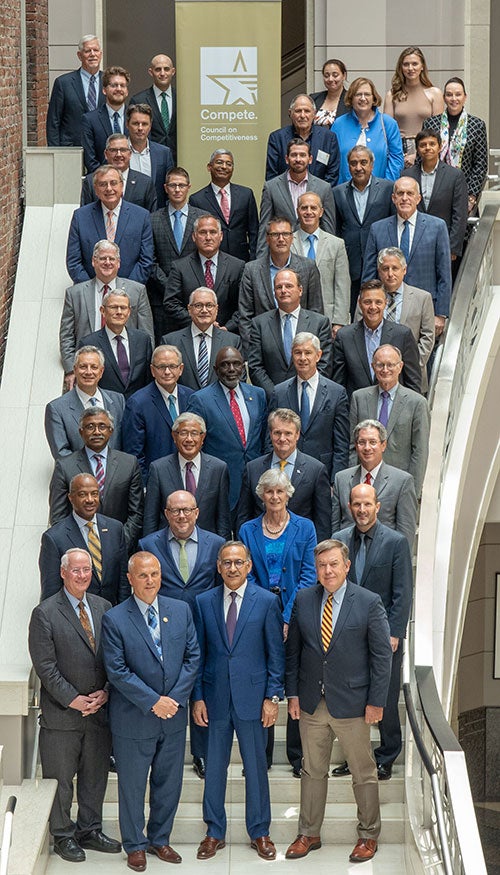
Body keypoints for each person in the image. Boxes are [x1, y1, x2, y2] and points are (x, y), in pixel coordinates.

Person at [284, 539, 392, 863]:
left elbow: (382, 656)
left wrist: (376, 702)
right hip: (311, 702)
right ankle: (309, 833)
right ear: (316, 569)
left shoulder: (369, 602)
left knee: (363, 772)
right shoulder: (303, 600)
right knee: (311, 770)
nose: (327, 570)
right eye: (321, 565)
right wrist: (292, 694)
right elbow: (293, 654)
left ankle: (368, 835)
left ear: (346, 566)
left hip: (355, 704)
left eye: (333, 564)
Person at [101, 551, 200, 871]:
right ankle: (135, 844)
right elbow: (117, 671)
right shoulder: (114, 618)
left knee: (168, 783)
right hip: (134, 719)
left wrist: (174, 699)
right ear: (130, 579)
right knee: (132, 785)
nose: (150, 581)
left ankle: (160, 839)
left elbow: (192, 658)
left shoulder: (181, 610)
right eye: (142, 575)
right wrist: (153, 701)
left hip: (172, 717)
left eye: (154, 574)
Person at [193, 541, 284, 861]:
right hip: (215, 698)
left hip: (253, 699)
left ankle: (260, 831)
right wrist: (198, 697)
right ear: (218, 566)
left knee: (256, 768)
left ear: (248, 566)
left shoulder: (266, 601)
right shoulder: (203, 602)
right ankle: (213, 831)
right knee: (214, 768)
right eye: (226, 562)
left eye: (239, 562)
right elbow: (198, 654)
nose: (232, 568)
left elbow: (276, 655)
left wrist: (273, 697)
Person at [29, 547, 122, 863]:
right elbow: (45, 666)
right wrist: (73, 699)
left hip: (99, 712)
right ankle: (63, 835)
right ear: (63, 573)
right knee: (61, 780)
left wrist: (106, 691)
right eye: (76, 570)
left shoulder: (104, 607)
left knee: (95, 777)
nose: (82, 575)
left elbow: (114, 658)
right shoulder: (44, 613)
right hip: (62, 715)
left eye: (87, 570)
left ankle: (90, 830)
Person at [139, 489, 225, 780]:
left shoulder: (217, 544)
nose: (181, 516)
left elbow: (219, 586)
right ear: (166, 514)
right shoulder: (148, 543)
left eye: (187, 510)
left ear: (197, 512)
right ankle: (161, 753)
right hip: (165, 630)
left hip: (207, 627)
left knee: (203, 693)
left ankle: (201, 753)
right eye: (175, 510)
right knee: (168, 688)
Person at [332, 484, 413, 781]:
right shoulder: (339, 541)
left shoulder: (396, 542)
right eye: (356, 504)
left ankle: (387, 754)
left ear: (377, 506)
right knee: (352, 699)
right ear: (349, 507)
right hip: (348, 635)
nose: (362, 510)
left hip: (384, 637)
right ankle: (356, 757)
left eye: (367, 504)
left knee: (387, 698)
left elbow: (403, 593)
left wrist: (394, 632)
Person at [239, 470, 316, 775]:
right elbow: (248, 574)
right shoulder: (247, 529)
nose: (274, 497)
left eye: (279, 492)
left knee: (295, 679)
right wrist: (270, 613)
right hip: (258, 612)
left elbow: (309, 575)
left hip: (298, 614)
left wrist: (287, 616)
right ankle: (262, 756)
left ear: (288, 495)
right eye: (269, 492)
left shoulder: (305, 527)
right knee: (264, 682)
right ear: (262, 495)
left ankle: (297, 758)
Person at [362, 177, 452, 340]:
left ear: (418, 198)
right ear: (393, 198)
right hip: (385, 310)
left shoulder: (437, 227)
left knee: (420, 360)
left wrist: (441, 314)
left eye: (410, 193)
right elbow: (369, 274)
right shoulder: (378, 228)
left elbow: (444, 273)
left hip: (422, 311)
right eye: (400, 193)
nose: (405, 198)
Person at [48, 406, 144, 551]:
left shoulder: (129, 463)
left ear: (111, 431)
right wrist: (79, 548)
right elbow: (58, 516)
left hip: (119, 549)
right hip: (78, 552)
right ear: (81, 432)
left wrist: (118, 544)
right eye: (90, 427)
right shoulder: (64, 466)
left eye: (102, 426)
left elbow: (136, 513)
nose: (97, 432)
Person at [60, 239, 154, 381]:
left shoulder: (137, 290)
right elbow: (66, 335)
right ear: (93, 261)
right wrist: (70, 369)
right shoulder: (75, 294)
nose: (107, 262)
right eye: (103, 258)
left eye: (112, 259)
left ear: (119, 263)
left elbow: (147, 333)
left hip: (127, 369)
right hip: (90, 370)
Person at [187, 347, 268, 512]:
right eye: (225, 365)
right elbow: (195, 444)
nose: (231, 369)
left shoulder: (258, 394)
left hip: (256, 482)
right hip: (221, 483)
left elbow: (264, 435)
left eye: (236, 364)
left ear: (243, 367)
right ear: (216, 370)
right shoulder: (200, 400)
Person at [237, 408, 332, 541]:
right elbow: (244, 515)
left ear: (297, 434)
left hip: (300, 549)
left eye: (288, 433)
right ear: (270, 434)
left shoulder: (316, 470)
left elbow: (323, 522)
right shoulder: (253, 468)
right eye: (277, 433)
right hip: (260, 547)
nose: (282, 439)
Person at [349, 344, 430, 496]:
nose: (385, 370)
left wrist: (413, 493)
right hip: (363, 485)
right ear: (373, 366)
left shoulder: (417, 403)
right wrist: (351, 484)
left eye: (390, 365)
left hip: (398, 487)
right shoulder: (359, 398)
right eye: (380, 365)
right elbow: (351, 446)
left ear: (400, 367)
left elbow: (420, 452)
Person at [269, 332, 349, 480]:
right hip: (284, 474)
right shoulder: (279, 392)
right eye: (298, 353)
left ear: (318, 355)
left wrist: (335, 482)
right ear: (292, 355)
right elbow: (269, 439)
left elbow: (341, 445)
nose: (303, 358)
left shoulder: (336, 393)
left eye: (308, 353)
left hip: (323, 473)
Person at [239, 216, 323, 356]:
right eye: (275, 235)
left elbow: (316, 309)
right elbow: (245, 316)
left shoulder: (308, 267)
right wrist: (254, 350)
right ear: (267, 239)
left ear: (292, 237)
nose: (281, 239)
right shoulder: (251, 270)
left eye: (285, 234)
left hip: (303, 349)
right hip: (264, 350)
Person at [39, 474, 129, 604]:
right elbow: (51, 592)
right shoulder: (54, 538)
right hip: (76, 616)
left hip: (112, 614)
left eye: (94, 494)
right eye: (82, 494)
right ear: (71, 498)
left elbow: (123, 581)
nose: (90, 499)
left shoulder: (115, 529)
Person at [143, 412, 231, 538]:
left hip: (207, 547)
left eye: (194, 433)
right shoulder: (158, 469)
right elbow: (150, 517)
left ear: (203, 437)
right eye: (183, 433)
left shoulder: (218, 469)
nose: (189, 439)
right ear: (174, 436)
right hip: (167, 545)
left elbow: (223, 518)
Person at [332, 419, 418, 548]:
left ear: (383, 445)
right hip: (348, 557)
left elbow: (406, 532)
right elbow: (335, 526)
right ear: (356, 446)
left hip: (384, 557)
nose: (367, 448)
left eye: (373, 442)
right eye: (362, 442)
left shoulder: (402, 481)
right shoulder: (341, 479)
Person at [248, 267, 333, 398]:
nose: (283, 291)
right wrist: (277, 394)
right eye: (278, 287)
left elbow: (324, 364)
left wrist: (305, 390)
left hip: (309, 396)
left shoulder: (319, 323)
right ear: (274, 292)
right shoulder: (259, 324)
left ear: (300, 290)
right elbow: (255, 367)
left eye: (288, 286)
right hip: (273, 398)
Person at [333, 145, 395, 318]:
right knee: (353, 315)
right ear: (348, 166)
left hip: (380, 264)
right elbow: (336, 230)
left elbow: (393, 225)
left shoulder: (387, 189)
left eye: (363, 162)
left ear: (372, 165)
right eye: (353, 163)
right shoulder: (337, 193)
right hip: (349, 264)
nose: (358, 167)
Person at [66, 166, 154, 286]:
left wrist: (124, 290)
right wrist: (92, 290)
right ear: (96, 190)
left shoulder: (141, 216)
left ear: (122, 186)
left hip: (128, 296)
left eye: (113, 183)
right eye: (103, 184)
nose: (109, 188)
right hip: (91, 295)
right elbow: (73, 262)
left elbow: (146, 260)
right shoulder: (80, 217)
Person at [332, 280, 421, 398]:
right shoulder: (344, 336)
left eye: (378, 302)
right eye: (367, 302)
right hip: (356, 412)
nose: (373, 307)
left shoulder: (403, 335)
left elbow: (413, 382)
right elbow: (338, 385)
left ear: (386, 303)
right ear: (359, 303)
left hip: (394, 411)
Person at [149, 167, 206, 339]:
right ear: (166, 188)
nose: (177, 189)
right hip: (162, 301)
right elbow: (149, 261)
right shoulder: (152, 219)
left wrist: (187, 287)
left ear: (189, 187)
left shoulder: (203, 219)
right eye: (173, 185)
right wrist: (172, 287)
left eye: (181, 185)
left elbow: (207, 256)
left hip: (196, 300)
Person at [121, 344, 194, 480]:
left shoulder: (192, 398)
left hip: (189, 478)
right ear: (153, 370)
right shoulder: (138, 403)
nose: (167, 372)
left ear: (181, 369)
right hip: (155, 481)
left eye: (172, 366)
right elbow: (134, 454)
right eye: (161, 367)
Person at [164, 214, 245, 332]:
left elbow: (243, 305)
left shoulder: (237, 266)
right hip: (191, 333)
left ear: (221, 236)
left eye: (213, 232)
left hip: (227, 335)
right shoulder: (180, 267)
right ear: (194, 236)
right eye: (203, 232)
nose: (208, 237)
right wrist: (199, 322)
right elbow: (171, 304)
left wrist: (227, 327)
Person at [257, 138, 336, 256]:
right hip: (281, 255)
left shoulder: (324, 188)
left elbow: (328, 228)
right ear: (287, 159)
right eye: (294, 155)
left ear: (310, 159)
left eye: (302, 155)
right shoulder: (271, 187)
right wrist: (261, 261)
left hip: (313, 253)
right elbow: (265, 226)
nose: (298, 159)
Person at [422, 76, 488, 217]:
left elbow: (480, 165)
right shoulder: (431, 123)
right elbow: (421, 157)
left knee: (461, 236)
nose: (454, 98)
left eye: (458, 94)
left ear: (465, 97)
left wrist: (471, 196)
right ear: (444, 98)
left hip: (463, 193)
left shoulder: (477, 125)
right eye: (449, 94)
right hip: (433, 191)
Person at [45, 346, 125, 458]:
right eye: (83, 367)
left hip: (116, 473)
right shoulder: (56, 408)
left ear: (101, 371)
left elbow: (124, 443)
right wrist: (91, 472)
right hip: (78, 474)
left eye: (94, 367)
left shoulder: (118, 400)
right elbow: (61, 454)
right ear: (75, 370)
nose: (88, 372)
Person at [403, 129, 468, 263]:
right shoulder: (407, 175)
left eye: (432, 144)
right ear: (418, 149)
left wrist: (453, 248)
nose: (427, 148)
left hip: (443, 241)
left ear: (440, 147)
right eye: (423, 145)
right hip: (413, 241)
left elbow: (459, 215)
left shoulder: (455, 176)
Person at [376, 246, 435, 391]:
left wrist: (408, 365)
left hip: (411, 376)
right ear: (379, 271)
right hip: (376, 375)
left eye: (395, 268)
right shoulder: (369, 299)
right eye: (385, 268)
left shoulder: (422, 298)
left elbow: (428, 337)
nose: (390, 274)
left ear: (404, 270)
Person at [291, 191, 350, 333]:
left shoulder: (336, 244)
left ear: (321, 212)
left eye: (313, 208)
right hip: (295, 316)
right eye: (304, 208)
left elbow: (342, 285)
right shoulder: (288, 242)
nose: (308, 212)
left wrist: (339, 322)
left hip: (328, 318)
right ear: (298, 211)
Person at [161, 287, 241, 391]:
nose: (204, 310)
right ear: (189, 309)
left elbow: (238, 380)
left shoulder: (232, 341)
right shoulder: (170, 342)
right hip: (184, 405)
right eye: (198, 305)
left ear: (216, 309)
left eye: (209, 305)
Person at [79, 289, 153, 398]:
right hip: (105, 408)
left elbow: (148, 378)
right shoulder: (89, 343)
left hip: (137, 407)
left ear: (129, 312)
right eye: (113, 307)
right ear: (102, 311)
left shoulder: (143, 339)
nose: (119, 312)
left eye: (123, 308)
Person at [189, 149, 259, 261]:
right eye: (219, 162)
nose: (224, 167)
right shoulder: (197, 199)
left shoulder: (246, 194)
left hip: (242, 259)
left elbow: (254, 231)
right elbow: (196, 235)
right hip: (211, 260)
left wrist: (253, 259)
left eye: (229, 164)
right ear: (209, 167)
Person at [333, 77, 404, 184]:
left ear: (374, 98)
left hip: (380, 192)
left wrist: (386, 187)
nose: (362, 98)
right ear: (351, 98)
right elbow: (332, 160)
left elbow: (396, 159)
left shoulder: (388, 123)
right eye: (358, 95)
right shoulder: (339, 124)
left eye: (367, 94)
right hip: (344, 192)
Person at [383, 46, 444, 166]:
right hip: (398, 149)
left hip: (426, 149)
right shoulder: (392, 95)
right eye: (406, 64)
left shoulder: (434, 94)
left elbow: (438, 131)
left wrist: (417, 154)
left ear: (422, 67)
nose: (410, 68)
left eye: (415, 64)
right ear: (401, 68)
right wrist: (398, 154)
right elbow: (387, 130)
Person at [265, 94, 340, 187]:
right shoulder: (277, 138)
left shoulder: (328, 138)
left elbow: (332, 175)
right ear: (290, 113)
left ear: (314, 113)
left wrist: (314, 198)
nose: (302, 115)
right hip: (285, 198)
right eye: (298, 111)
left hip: (318, 199)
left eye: (307, 111)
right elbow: (272, 176)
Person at [46, 34, 104, 147]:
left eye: (96, 50)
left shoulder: (110, 82)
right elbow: (53, 121)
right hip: (72, 149)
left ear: (100, 54)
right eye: (87, 51)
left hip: (102, 150)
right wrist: (56, 153)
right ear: (79, 55)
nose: (92, 54)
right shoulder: (63, 83)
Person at [80, 133, 157, 212]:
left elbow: (151, 217)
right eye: (113, 150)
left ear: (130, 154)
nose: (119, 154)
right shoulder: (90, 181)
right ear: (106, 154)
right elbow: (85, 215)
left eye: (123, 150)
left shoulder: (145, 183)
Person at [81, 66, 130, 172]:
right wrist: (106, 178)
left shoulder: (135, 118)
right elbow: (90, 159)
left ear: (127, 91)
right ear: (104, 90)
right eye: (114, 85)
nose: (118, 89)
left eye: (122, 85)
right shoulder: (90, 120)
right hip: (102, 182)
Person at [126, 103, 175, 209]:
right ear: (127, 124)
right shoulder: (118, 152)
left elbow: (168, 188)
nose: (140, 128)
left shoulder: (163, 153)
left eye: (144, 124)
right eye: (135, 123)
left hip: (155, 213)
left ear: (150, 125)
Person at [129, 54, 177, 158]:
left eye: (166, 69)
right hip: (151, 159)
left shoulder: (182, 98)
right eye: (158, 69)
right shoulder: (138, 100)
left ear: (173, 71)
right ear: (151, 72)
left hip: (179, 159)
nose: (162, 73)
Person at [310, 58, 349, 127]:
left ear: (344, 76)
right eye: (326, 76)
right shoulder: (313, 99)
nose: (330, 79)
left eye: (335, 75)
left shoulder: (351, 100)